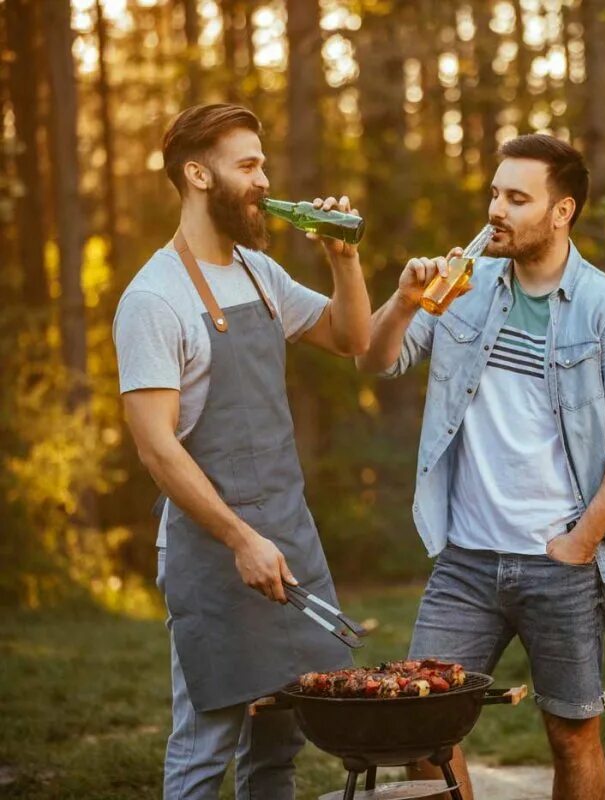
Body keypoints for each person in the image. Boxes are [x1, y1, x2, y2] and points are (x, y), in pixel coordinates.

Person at [356, 134, 605, 800]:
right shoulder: (460, 288)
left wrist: (580, 542)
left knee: (572, 736)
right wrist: (405, 301)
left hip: (560, 563)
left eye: (517, 198)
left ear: (562, 213)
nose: (496, 209)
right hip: (465, 558)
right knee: (422, 727)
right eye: (495, 193)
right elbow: (376, 359)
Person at [113, 103, 372, 799]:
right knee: (206, 745)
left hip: (288, 534)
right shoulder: (153, 298)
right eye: (248, 165)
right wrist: (239, 538)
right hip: (213, 550)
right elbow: (157, 449)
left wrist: (342, 261)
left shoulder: (260, 273)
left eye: (264, 164)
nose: (265, 181)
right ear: (199, 174)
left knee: (278, 745)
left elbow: (353, 339)